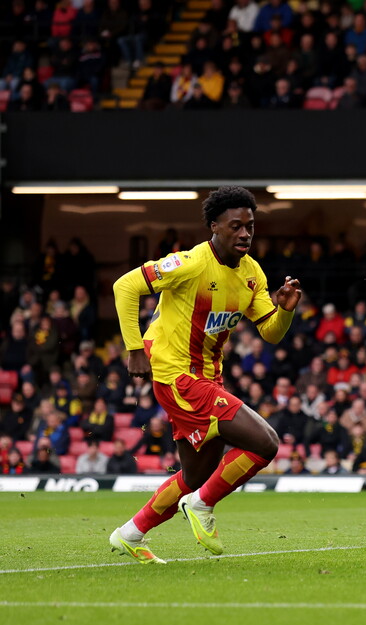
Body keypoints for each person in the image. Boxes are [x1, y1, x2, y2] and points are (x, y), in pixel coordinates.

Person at [108, 186, 302, 565]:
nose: (245, 233)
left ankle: (130, 533)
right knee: (266, 443)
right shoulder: (190, 263)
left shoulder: (251, 274)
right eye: (235, 226)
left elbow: (270, 331)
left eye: (249, 226)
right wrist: (133, 349)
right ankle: (200, 506)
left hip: (207, 377)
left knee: (197, 472)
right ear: (214, 226)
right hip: (175, 373)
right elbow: (125, 286)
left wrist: (287, 311)